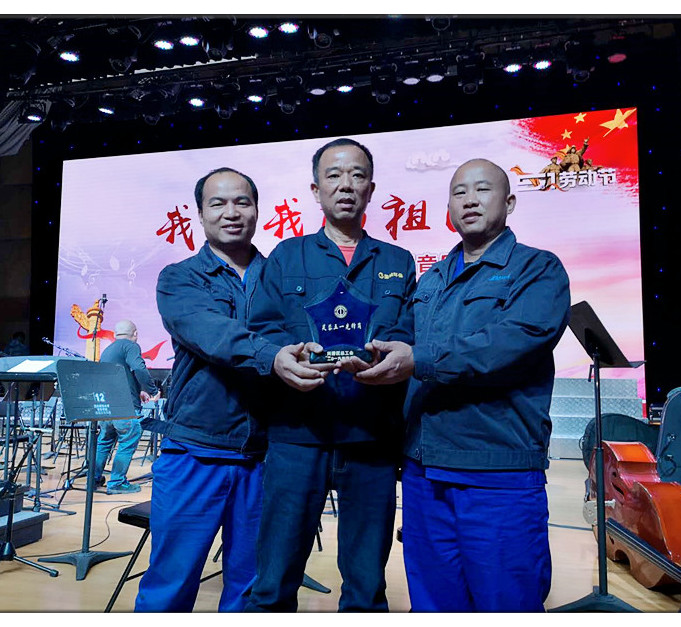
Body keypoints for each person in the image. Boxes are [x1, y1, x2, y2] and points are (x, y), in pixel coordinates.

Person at [351, 158, 571, 612]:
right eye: (459, 192)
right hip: (424, 472)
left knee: (507, 605)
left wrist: (419, 360)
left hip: (496, 472)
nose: (470, 200)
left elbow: (511, 341)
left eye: (483, 189)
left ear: (509, 202)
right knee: (433, 605)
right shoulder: (431, 279)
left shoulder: (537, 270)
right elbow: (404, 342)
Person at [135, 168, 318, 612]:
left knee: (252, 591)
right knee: (170, 585)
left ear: (257, 210)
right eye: (218, 203)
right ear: (200, 214)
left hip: (267, 458)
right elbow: (211, 333)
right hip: (195, 452)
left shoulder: (283, 277)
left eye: (242, 202)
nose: (231, 212)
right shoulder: (179, 278)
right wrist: (273, 356)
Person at [245, 138, 416, 612]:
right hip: (297, 434)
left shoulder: (397, 261)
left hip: (370, 436)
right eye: (334, 175)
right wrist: (285, 353)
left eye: (357, 175)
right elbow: (262, 329)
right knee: (274, 577)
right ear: (316, 189)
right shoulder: (287, 256)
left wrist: (389, 355)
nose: (346, 185)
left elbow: (407, 331)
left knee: (366, 582)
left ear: (371, 189)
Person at [94, 320, 160, 494]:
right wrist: (152, 390)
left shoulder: (108, 350)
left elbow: (119, 377)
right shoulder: (131, 346)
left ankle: (93, 478)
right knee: (128, 439)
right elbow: (139, 368)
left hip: (107, 407)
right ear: (135, 333)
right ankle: (117, 482)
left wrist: (138, 391)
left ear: (115, 333)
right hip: (125, 407)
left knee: (104, 443)